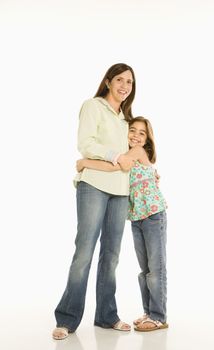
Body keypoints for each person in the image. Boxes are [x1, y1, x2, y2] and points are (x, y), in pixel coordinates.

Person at [52, 63, 137, 340]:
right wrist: (113, 158)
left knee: (111, 256)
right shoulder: (93, 106)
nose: (125, 86)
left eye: (130, 83)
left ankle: (106, 316)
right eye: (121, 80)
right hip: (94, 186)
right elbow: (86, 144)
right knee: (84, 251)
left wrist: (146, 170)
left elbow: (133, 156)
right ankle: (66, 319)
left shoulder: (126, 119)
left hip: (121, 190)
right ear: (109, 81)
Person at [76, 116, 168, 332]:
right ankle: (149, 311)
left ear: (147, 140)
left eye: (141, 133)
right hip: (137, 217)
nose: (136, 136)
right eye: (132, 130)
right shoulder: (131, 154)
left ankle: (159, 316)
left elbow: (113, 166)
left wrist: (84, 163)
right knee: (145, 270)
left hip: (154, 215)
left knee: (156, 269)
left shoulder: (135, 153)